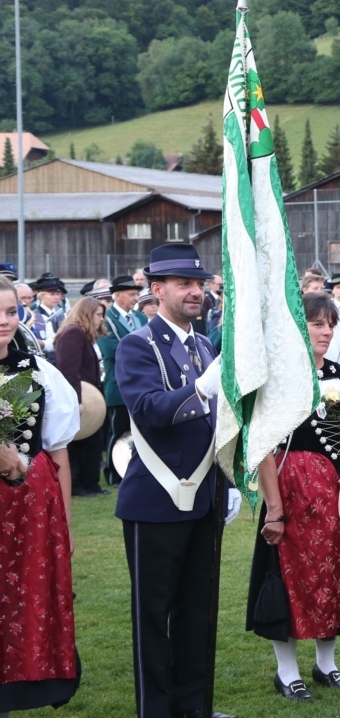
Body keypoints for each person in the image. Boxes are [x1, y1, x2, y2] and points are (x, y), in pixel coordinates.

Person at [114, 243, 239, 718]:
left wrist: (227, 482)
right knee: (153, 616)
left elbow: (218, 425)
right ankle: (156, 711)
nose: (195, 292)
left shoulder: (203, 345)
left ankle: (194, 708)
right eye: (183, 283)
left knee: (197, 611)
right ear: (157, 289)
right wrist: (201, 389)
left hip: (204, 494)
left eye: (199, 284)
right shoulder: (137, 345)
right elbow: (148, 409)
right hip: (155, 499)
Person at [246, 293, 340, 701]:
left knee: (336, 573)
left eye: (331, 324)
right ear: (298, 327)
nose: (326, 331)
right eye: (316, 324)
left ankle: (326, 663)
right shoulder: (279, 377)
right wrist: (274, 510)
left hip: (339, 494)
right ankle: (287, 670)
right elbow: (263, 445)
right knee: (290, 577)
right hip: (293, 491)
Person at [0, 277, 81, 714]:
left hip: (30, 507)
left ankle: (17, 687)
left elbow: (59, 453)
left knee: (21, 599)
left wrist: (63, 525)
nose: (4, 321)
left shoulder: (39, 372)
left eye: (11, 312)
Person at [54, 296, 109, 497]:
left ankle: (90, 484)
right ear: (87, 313)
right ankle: (79, 485)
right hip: (80, 399)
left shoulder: (79, 333)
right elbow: (69, 371)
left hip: (88, 398)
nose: (101, 319)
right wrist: (76, 402)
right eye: (98, 315)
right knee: (80, 444)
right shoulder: (74, 333)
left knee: (92, 443)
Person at [99, 275, 147, 485]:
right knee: (117, 431)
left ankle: (133, 470)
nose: (136, 298)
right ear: (117, 295)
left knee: (139, 432)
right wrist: (142, 351)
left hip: (142, 385)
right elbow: (112, 350)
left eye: (136, 294)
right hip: (118, 384)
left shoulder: (140, 317)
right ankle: (113, 473)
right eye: (132, 294)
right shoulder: (106, 319)